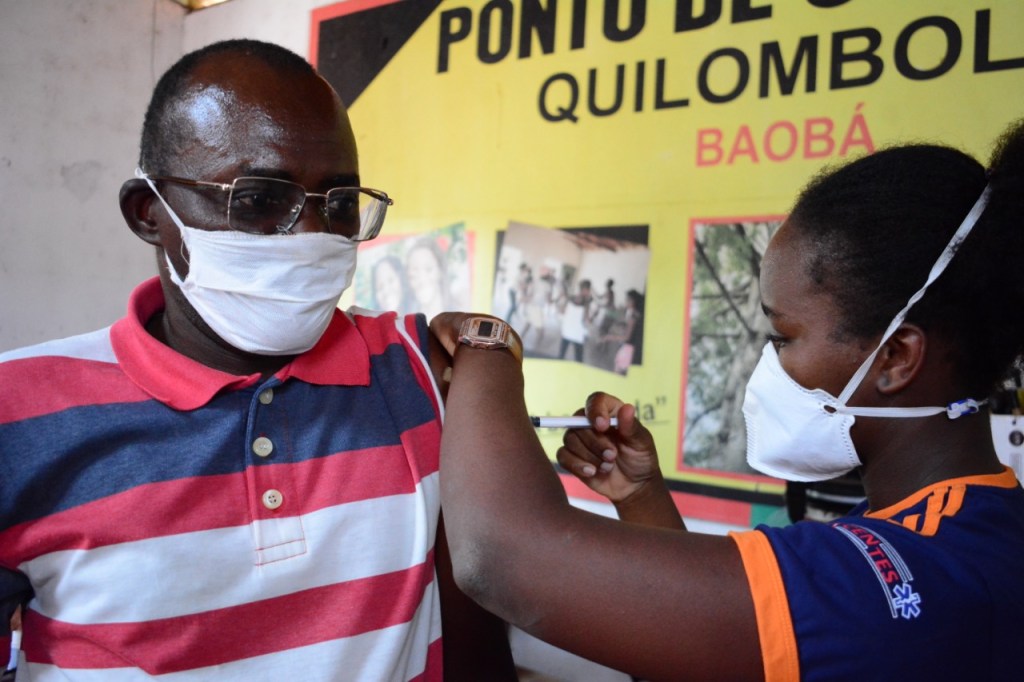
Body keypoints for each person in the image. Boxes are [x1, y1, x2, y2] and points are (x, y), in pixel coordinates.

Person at [431, 119, 1024, 681]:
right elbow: (698, 651)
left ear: (896, 358)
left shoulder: (896, 579)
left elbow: (500, 556)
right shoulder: (960, 530)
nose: (770, 363)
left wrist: (486, 346)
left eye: (784, 336)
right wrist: (641, 496)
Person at [0, 39, 514, 681]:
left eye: (339, 203)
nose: (310, 237)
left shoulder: (418, 369)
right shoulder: (15, 413)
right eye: (258, 200)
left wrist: (490, 356)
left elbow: (483, 618)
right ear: (150, 214)